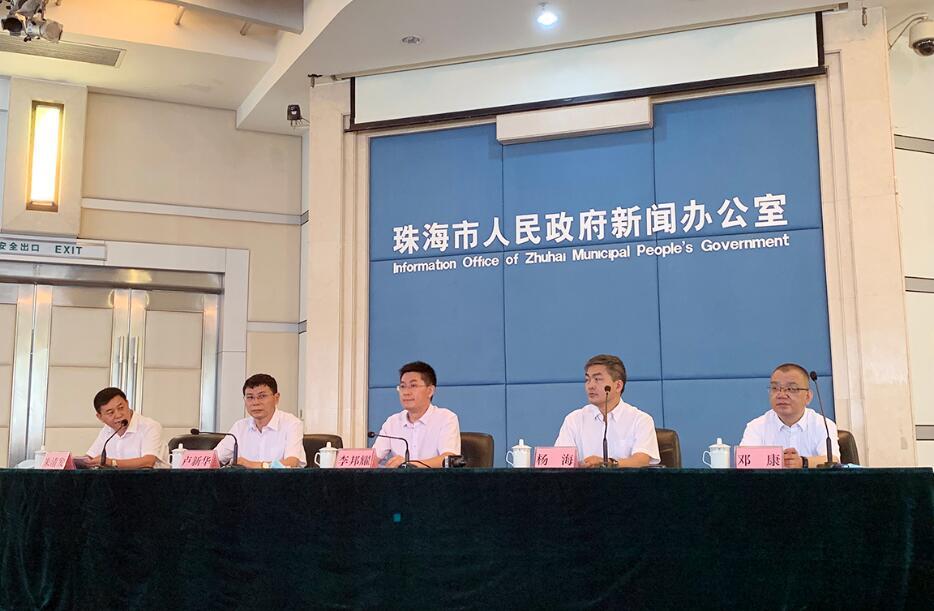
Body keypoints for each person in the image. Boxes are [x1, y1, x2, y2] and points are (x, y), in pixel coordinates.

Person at [555, 354, 660, 468]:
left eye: (597, 379)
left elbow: (641, 461)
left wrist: (608, 464)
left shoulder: (640, 420)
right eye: (587, 380)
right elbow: (560, 462)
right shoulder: (574, 420)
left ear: (618, 386)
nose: (590, 386)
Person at [740, 362, 839, 468]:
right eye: (775, 388)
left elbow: (833, 460)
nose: (781, 395)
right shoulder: (756, 426)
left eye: (791, 389)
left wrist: (803, 462)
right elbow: (745, 462)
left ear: (808, 397)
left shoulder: (823, 425)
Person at [372, 361, 460, 468]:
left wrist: (409, 465)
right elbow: (373, 459)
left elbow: (449, 459)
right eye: (402, 386)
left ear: (430, 391)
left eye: (413, 386)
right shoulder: (392, 422)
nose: (406, 392)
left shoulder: (446, 418)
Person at [215, 373, 307, 468]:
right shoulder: (239, 427)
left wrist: (250, 464)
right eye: (250, 397)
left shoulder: (292, 424)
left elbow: (291, 463)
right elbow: (214, 459)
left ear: (276, 398)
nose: (255, 402)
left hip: (280, 478)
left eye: (262, 396)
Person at [86, 387, 166, 468]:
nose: (118, 415)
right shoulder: (107, 430)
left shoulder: (149, 426)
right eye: (111, 412)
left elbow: (148, 462)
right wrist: (81, 462)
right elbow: (90, 457)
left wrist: (111, 462)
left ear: (127, 403)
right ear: (100, 417)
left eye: (121, 408)